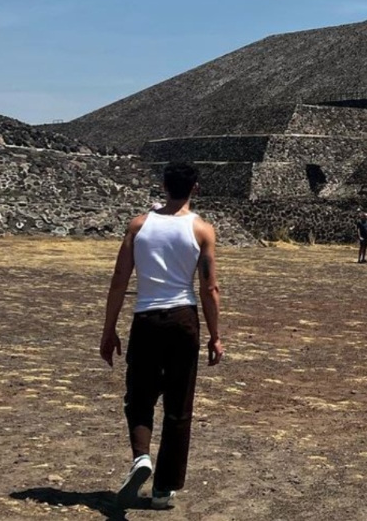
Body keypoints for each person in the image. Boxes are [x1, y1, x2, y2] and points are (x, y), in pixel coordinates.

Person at [99, 162, 223, 510]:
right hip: (183, 319)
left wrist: (109, 330)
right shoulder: (202, 230)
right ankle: (163, 488)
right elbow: (209, 287)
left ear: (163, 186)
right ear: (194, 188)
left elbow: (119, 280)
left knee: (139, 395)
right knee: (178, 404)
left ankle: (141, 457)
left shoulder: (139, 226)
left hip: (146, 319)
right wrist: (215, 335)